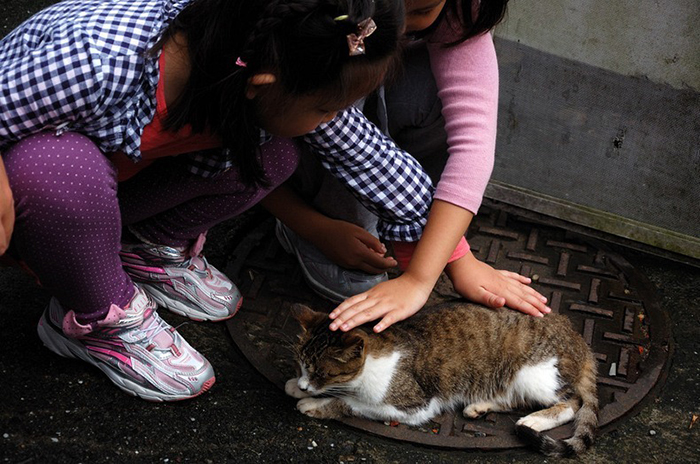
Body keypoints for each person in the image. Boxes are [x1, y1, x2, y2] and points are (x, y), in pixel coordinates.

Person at [0, 0, 407, 401]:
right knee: (53, 168)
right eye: (326, 109)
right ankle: (95, 314)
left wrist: (431, 267)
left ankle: (139, 246)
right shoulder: (95, 62)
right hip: (33, 206)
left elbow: (372, 158)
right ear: (262, 83)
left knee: (276, 153)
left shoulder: (259, 53)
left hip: (111, 187)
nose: (332, 119)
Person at [264, 0, 551, 334]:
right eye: (393, 7)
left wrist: (434, 270)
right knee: (319, 117)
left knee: (441, 99)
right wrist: (314, 227)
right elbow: (245, 149)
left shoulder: (455, 13)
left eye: (420, 10)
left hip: (348, 113)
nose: (397, 26)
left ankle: (409, 233)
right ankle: (325, 215)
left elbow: (473, 143)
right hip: (299, 110)